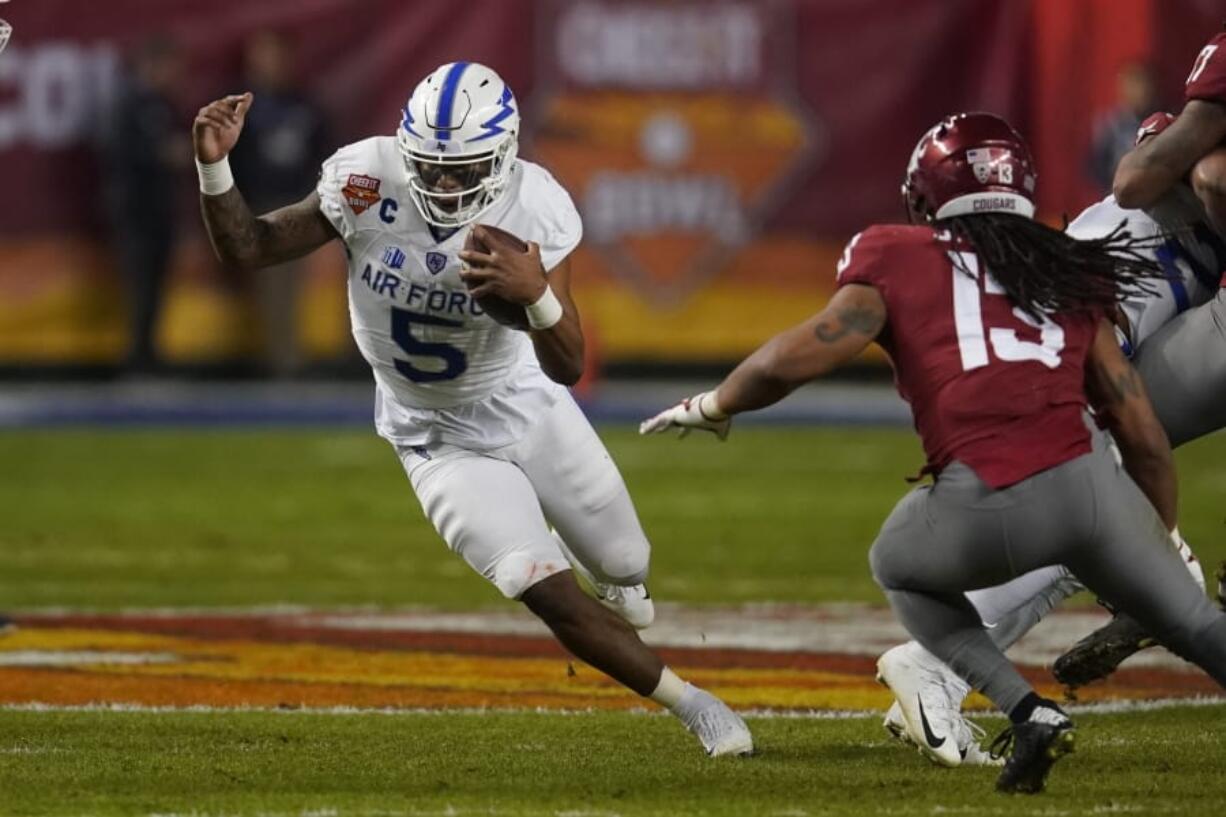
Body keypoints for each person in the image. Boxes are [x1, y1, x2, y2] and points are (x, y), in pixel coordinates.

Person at [641, 112, 1226, 793]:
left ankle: (993, 686)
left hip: (1010, 446)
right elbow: (1139, 424)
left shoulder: (920, 253)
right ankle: (935, 668)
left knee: (914, 554)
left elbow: (808, 348)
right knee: (1176, 601)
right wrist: (1162, 529)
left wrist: (715, 404)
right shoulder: (1087, 252)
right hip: (1069, 423)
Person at [192, 61, 752, 757]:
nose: (445, 185)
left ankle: (621, 581)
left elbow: (570, 364)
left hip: (526, 400)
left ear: (503, 157)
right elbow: (250, 247)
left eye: (463, 170)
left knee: (626, 558)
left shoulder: (534, 204)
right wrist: (214, 168)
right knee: (538, 582)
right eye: (430, 167)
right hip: (432, 435)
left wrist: (535, 291)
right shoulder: (364, 178)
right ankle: (695, 704)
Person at [871, 29, 1226, 769]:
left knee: (1096, 489)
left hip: (1096, 304)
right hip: (1101, 305)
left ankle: (939, 659)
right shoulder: (1173, 183)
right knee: (1088, 487)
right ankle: (932, 662)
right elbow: (1189, 173)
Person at [226, 30, 330, 377]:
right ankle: (278, 360)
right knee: (265, 286)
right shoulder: (238, 108)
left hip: (297, 201)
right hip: (256, 202)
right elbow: (228, 158)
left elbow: (321, 150)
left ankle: (287, 359)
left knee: (291, 284)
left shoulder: (304, 104)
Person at [100, 36, 189, 375]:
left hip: (160, 208)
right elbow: (120, 152)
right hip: (134, 209)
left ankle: (149, 352)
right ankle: (136, 357)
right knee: (138, 283)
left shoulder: (164, 105)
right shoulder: (127, 104)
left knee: (156, 283)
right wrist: (162, 154)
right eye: (168, 66)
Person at [1086, 62, 1157, 195]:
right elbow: (1094, 166)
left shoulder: (1161, 120)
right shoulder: (1109, 124)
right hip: (1117, 195)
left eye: (1142, 85)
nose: (1139, 92)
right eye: (1132, 85)